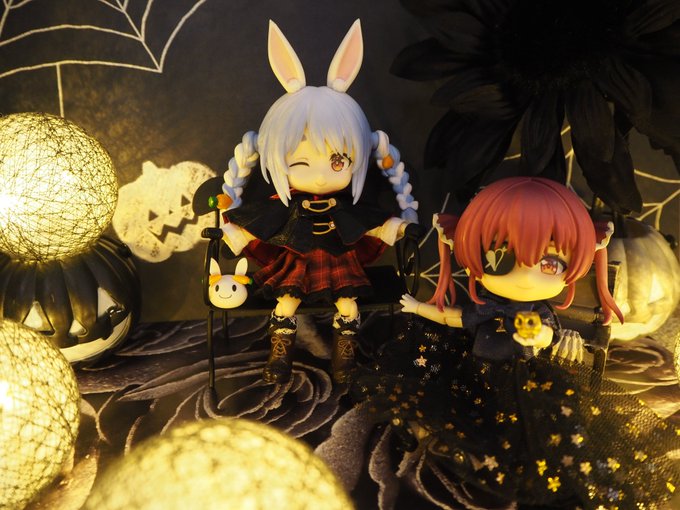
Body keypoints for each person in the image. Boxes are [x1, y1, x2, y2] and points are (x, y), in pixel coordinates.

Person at [358, 178, 679, 508]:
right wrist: (418, 308)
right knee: (448, 411)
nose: (526, 277)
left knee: (531, 434)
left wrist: (538, 336)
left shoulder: (539, 313)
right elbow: (455, 318)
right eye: (499, 259)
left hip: (521, 380)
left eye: (550, 264)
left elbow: (549, 337)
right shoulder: (487, 306)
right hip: (475, 373)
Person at [219, 20, 419, 384]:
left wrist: (401, 226)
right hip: (297, 260)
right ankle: (280, 354)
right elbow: (263, 221)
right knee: (286, 302)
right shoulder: (286, 204)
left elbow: (370, 221)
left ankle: (345, 358)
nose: (322, 176)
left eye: (338, 162)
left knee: (348, 304)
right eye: (300, 163)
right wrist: (235, 233)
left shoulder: (345, 205)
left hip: (338, 259)